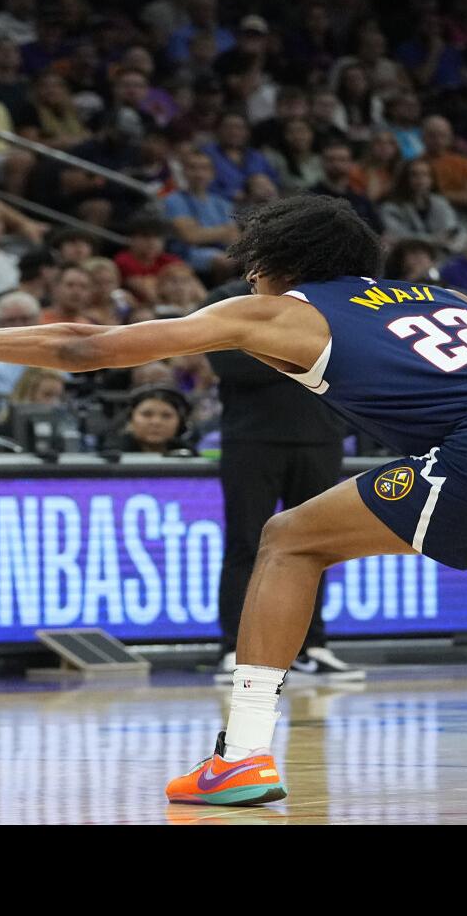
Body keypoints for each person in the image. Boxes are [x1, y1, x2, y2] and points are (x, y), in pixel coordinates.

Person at [0, 194, 467, 807]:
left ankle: (241, 758)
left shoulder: (278, 313)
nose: (249, 277)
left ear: (278, 262)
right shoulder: (439, 297)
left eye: (253, 263)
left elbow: (88, 346)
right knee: (296, 535)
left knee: (287, 541)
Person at [202, 278, 355, 681]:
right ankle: (235, 649)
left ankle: (312, 647)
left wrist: (271, 347)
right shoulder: (226, 298)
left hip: (321, 436)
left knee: (316, 547)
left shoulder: (329, 299)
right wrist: (307, 352)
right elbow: (229, 364)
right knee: (245, 543)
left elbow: (351, 357)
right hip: (252, 438)